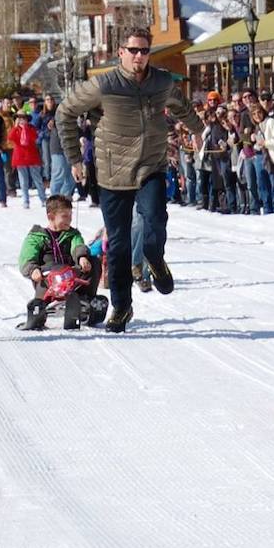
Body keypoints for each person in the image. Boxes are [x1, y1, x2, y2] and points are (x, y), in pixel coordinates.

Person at [56, 26, 204, 333]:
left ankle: (154, 258)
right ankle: (122, 307)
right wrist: (73, 159)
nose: (139, 56)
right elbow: (65, 112)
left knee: (154, 220)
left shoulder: (161, 81)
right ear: (120, 52)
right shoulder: (104, 84)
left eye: (144, 50)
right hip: (113, 173)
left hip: (151, 166)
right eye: (133, 50)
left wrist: (198, 129)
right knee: (120, 245)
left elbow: (180, 105)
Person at [16, 193, 104, 331]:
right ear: (51, 217)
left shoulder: (72, 234)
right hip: (47, 280)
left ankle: (87, 301)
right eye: (65, 216)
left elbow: (78, 245)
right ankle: (39, 309)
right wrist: (33, 269)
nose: (69, 220)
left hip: (71, 279)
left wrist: (82, 257)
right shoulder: (37, 237)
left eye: (70, 216)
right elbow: (26, 257)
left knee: (93, 261)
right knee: (56, 267)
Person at [8, 112, 47, 209]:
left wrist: (26, 128)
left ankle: (43, 199)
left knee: (37, 179)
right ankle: (26, 201)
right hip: (20, 158)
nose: (21, 120)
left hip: (32, 157)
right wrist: (15, 127)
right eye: (19, 118)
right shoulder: (16, 129)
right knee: (23, 181)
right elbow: (10, 137)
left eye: (23, 118)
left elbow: (35, 138)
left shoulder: (31, 128)